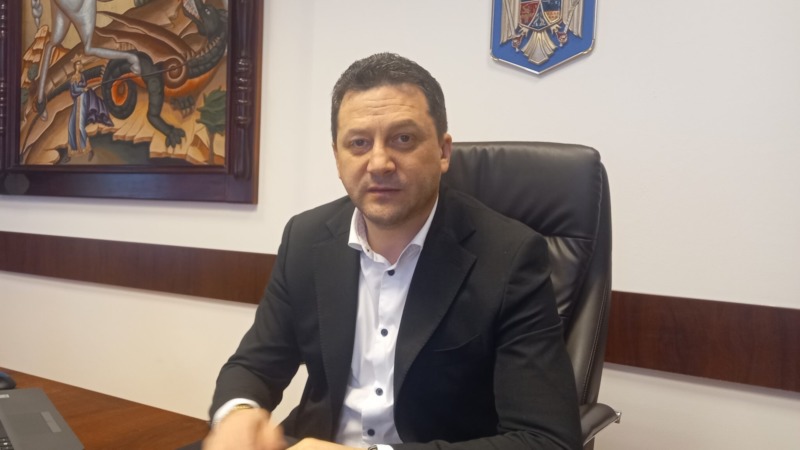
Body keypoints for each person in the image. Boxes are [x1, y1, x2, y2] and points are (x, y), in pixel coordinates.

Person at [203, 53, 581, 450]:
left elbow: (547, 440)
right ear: (337, 157)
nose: (379, 163)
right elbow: (254, 364)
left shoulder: (510, 256)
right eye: (358, 143)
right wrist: (238, 414)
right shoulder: (306, 238)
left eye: (403, 139)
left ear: (443, 152)